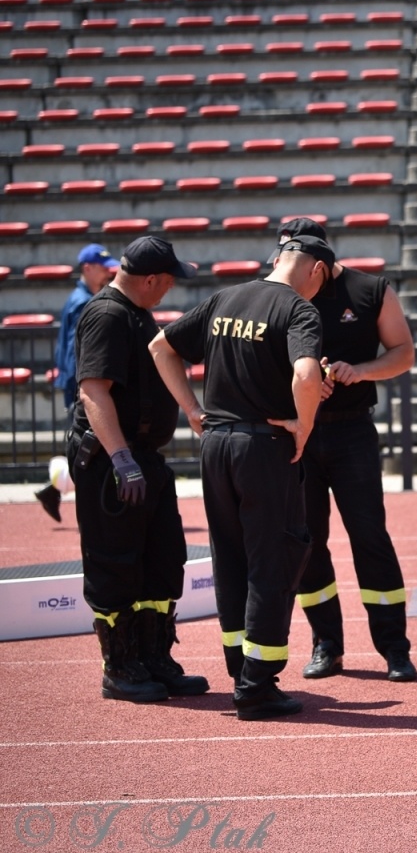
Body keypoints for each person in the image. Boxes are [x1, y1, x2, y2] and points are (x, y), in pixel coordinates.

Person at [150, 234, 330, 720]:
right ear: (314, 270)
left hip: (216, 443)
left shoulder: (225, 298)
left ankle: (239, 666)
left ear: (277, 260)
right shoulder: (298, 310)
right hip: (263, 447)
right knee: (275, 557)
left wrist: (191, 408)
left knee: (229, 557)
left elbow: (160, 346)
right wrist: (304, 426)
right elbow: (307, 373)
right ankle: (256, 684)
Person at [274, 219, 417, 683]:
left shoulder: (370, 290)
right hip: (300, 435)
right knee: (307, 542)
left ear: (320, 261)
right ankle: (327, 646)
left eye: (297, 261)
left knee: (370, 537)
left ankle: (395, 648)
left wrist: (359, 371)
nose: (287, 270)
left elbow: (403, 353)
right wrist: (304, 381)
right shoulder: (278, 295)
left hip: (351, 432)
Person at [67, 236, 208, 703]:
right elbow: (93, 391)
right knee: (116, 565)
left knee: (163, 558)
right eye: (167, 281)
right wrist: (122, 460)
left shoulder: (136, 312)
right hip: (113, 462)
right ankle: (121, 667)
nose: (169, 290)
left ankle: (153, 659)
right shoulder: (108, 314)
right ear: (150, 279)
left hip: (143, 457)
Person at [36, 245, 119, 521]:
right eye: (102, 266)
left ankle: (53, 491)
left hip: (75, 385)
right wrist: (82, 390)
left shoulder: (80, 297)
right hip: (80, 387)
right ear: (87, 268)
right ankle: (67, 496)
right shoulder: (84, 302)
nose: (108, 271)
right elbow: (78, 353)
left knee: (84, 447)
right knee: (87, 448)